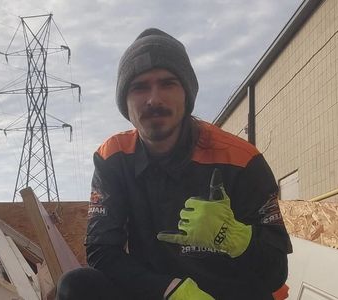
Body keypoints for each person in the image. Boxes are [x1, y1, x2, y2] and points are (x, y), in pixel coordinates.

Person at [55, 28, 293, 300]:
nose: (154, 99)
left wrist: (233, 236)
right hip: (162, 292)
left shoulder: (240, 159)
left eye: (167, 83)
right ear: (125, 101)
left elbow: (276, 271)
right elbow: (102, 252)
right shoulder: (114, 158)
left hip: (230, 292)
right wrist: (170, 290)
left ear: (186, 95)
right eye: (139, 87)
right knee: (77, 286)